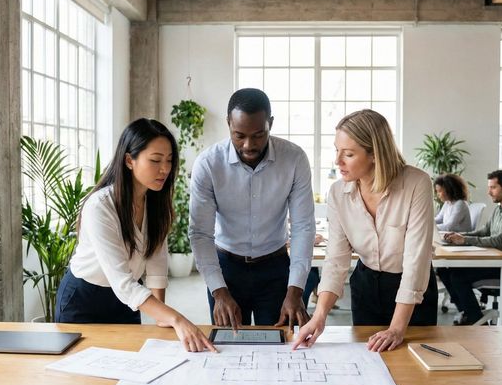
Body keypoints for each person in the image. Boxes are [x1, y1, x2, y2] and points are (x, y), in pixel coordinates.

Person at [55, 118, 216, 353]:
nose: (165, 169)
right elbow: (123, 282)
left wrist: (162, 315)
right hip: (83, 300)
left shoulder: (155, 201)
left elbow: (157, 262)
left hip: (126, 301)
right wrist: (177, 319)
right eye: (155, 160)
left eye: (169, 160)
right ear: (129, 160)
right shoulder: (100, 206)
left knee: (128, 369)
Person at [293, 109, 438, 353]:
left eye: (348, 154)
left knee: (411, 372)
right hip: (366, 285)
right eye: (337, 150)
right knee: (368, 363)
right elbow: (336, 260)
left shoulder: (416, 184)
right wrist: (319, 317)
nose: (337, 161)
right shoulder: (338, 193)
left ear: (375, 154)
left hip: (411, 291)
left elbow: (416, 262)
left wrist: (396, 328)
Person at [189, 88, 316, 330]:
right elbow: (200, 234)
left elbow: (303, 227)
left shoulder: (294, 159)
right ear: (228, 124)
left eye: (259, 135)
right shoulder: (208, 164)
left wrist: (295, 290)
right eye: (239, 135)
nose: (248, 145)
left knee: (280, 348)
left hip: (275, 268)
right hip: (226, 269)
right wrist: (218, 292)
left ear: (270, 123)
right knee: (230, 347)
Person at [438, 169, 502, 325]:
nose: (489, 192)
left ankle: (475, 319)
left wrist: (466, 240)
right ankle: (467, 312)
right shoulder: (499, 209)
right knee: (444, 270)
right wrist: (461, 237)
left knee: (457, 276)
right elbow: (484, 231)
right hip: (492, 260)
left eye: (493, 187)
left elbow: (501, 241)